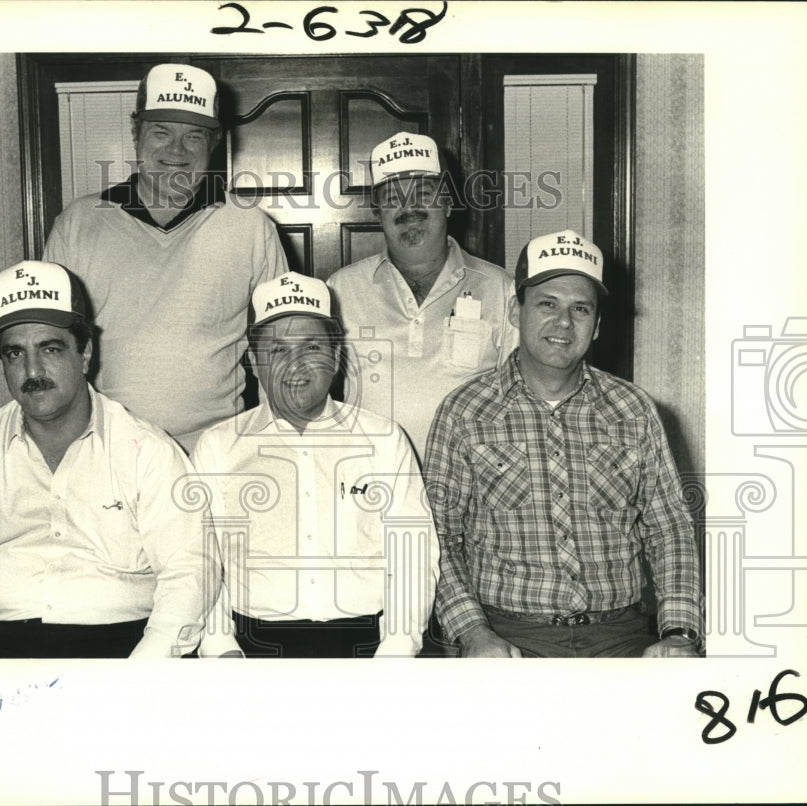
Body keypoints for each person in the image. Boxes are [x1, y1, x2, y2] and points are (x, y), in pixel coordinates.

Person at [0, 261, 219, 658]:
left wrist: (147, 670)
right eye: (14, 353)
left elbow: (189, 570)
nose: (32, 370)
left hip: (121, 649)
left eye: (50, 349)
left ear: (85, 352)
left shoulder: (147, 451)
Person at [423, 230, 703, 658]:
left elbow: (670, 530)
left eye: (580, 309)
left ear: (597, 326)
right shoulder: (464, 412)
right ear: (517, 312)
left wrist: (679, 632)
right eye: (547, 304)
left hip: (622, 636)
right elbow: (439, 536)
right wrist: (474, 633)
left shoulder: (634, 409)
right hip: (508, 637)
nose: (563, 323)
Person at [43, 63, 288, 453]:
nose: (177, 151)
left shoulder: (250, 227)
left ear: (214, 142)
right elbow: (51, 348)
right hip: (110, 450)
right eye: (161, 132)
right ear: (135, 133)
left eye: (194, 136)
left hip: (218, 450)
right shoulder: (78, 224)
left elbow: (281, 345)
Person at [193, 272, 439, 658]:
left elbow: (413, 554)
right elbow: (203, 560)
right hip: (253, 645)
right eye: (277, 351)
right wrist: (221, 649)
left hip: (370, 643)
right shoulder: (219, 446)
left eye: (311, 347)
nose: (296, 365)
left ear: (337, 356)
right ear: (254, 362)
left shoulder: (384, 440)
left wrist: (396, 650)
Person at [327, 131, 518, 464]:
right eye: (392, 197)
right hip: (369, 486)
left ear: (447, 202)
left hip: (469, 490)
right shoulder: (340, 290)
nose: (408, 207)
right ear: (377, 211)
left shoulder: (501, 288)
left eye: (422, 193)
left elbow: (521, 401)